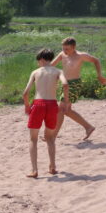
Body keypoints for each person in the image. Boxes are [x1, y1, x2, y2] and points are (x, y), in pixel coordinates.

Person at [23, 48, 70, 178]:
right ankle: (52, 167)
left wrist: (27, 106)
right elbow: (65, 85)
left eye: (38, 61)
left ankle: (34, 170)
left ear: (42, 59)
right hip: (52, 105)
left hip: (38, 104)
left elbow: (25, 93)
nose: (38, 63)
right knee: (50, 138)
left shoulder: (35, 72)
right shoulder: (58, 71)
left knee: (33, 139)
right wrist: (65, 102)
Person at [50, 37, 106, 140]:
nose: (64, 51)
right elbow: (51, 65)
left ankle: (52, 136)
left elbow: (96, 61)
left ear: (74, 47)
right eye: (63, 48)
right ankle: (88, 127)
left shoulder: (81, 56)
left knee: (61, 109)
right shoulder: (62, 54)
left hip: (74, 85)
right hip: (65, 84)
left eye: (67, 49)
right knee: (67, 111)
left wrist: (99, 75)